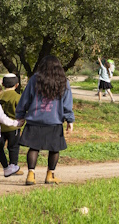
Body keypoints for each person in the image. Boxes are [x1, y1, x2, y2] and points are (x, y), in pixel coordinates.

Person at [16, 55, 75, 185]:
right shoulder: (63, 81)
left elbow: (25, 99)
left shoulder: (34, 80)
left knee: (34, 148)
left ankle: (31, 175)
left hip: (35, 120)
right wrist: (70, 120)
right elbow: (67, 103)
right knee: (54, 148)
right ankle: (50, 175)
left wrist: (20, 115)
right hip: (54, 121)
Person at [0, 74, 23, 178]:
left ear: (2, 84)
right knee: (13, 147)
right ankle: (13, 166)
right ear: (17, 85)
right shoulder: (18, 97)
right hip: (13, 127)